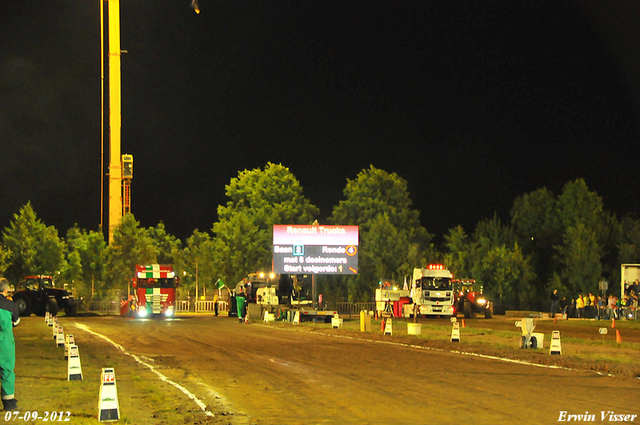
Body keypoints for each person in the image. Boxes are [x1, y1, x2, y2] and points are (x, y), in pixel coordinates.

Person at [0, 278, 20, 411]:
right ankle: (9, 403)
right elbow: (16, 322)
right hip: (4, 342)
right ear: (6, 290)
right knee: (7, 371)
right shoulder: (10, 305)